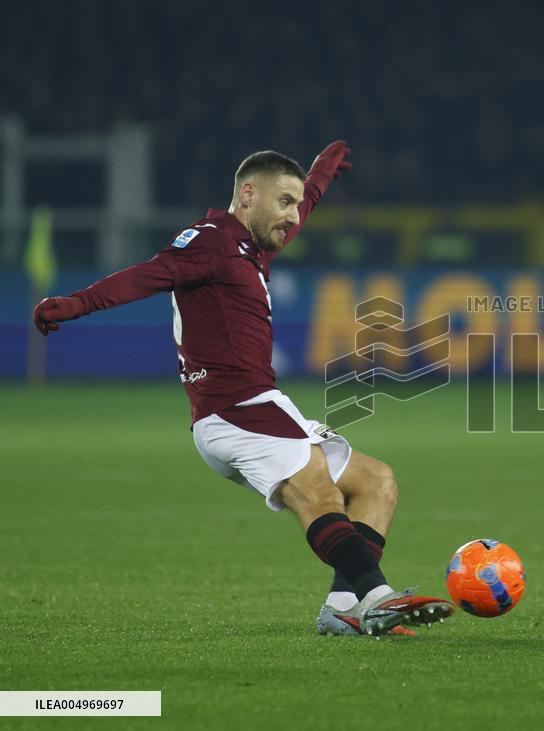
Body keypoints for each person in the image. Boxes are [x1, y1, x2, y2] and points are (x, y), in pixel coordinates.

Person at [33, 141, 453, 638]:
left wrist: (317, 179)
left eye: (298, 204)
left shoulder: (246, 245)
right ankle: (378, 596)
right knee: (318, 491)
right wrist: (75, 304)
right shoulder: (209, 240)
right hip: (233, 411)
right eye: (284, 203)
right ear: (248, 194)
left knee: (374, 481)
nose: (293, 216)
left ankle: (343, 606)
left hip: (260, 406)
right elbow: (148, 275)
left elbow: (296, 210)